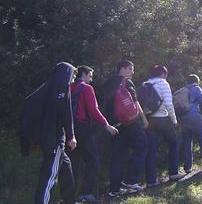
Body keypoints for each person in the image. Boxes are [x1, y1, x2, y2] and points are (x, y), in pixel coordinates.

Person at [20, 62, 77, 204]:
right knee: (49, 177)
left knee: (65, 165)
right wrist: (71, 136)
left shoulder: (46, 88)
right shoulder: (63, 87)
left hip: (44, 138)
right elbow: (66, 114)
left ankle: (70, 200)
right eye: (73, 74)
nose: (74, 77)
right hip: (55, 140)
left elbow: (28, 104)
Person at [67, 65, 118, 203]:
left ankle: (69, 197)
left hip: (68, 130)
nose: (91, 79)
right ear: (83, 74)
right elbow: (93, 110)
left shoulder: (68, 87)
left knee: (73, 163)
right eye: (90, 75)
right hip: (82, 128)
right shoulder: (87, 88)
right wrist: (106, 125)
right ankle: (85, 192)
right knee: (93, 159)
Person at [104, 60, 148, 197]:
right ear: (122, 69)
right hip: (130, 123)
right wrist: (144, 119)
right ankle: (130, 180)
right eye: (130, 68)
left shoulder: (107, 83)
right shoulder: (126, 82)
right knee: (142, 146)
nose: (132, 71)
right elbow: (135, 102)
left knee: (117, 157)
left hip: (114, 126)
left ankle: (114, 189)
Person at [144, 65, 185, 187]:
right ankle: (173, 173)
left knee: (151, 149)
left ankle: (151, 180)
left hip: (149, 119)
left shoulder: (145, 84)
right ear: (163, 74)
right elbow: (169, 103)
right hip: (162, 118)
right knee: (174, 143)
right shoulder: (163, 83)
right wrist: (174, 120)